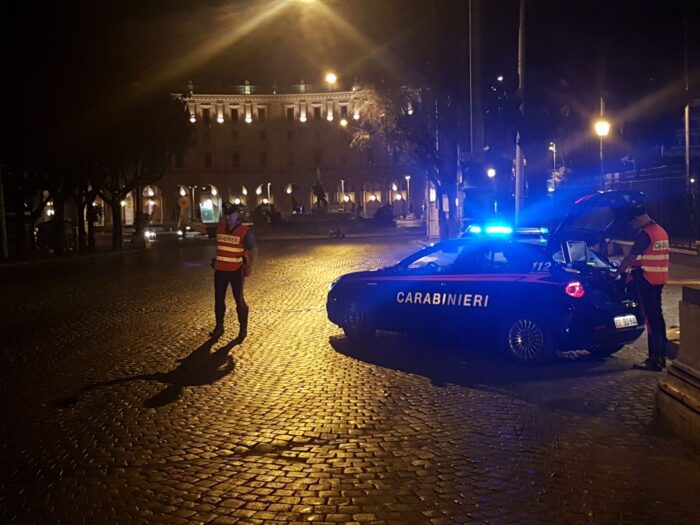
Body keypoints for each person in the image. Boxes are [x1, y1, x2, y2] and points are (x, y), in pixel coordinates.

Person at [617, 205, 669, 371]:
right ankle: (661, 357)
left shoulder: (645, 234)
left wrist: (617, 272)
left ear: (637, 219)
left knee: (651, 321)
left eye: (633, 223)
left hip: (647, 280)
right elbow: (651, 256)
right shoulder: (660, 231)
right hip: (659, 279)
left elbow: (631, 258)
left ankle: (654, 360)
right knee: (658, 319)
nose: (634, 226)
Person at [195, 202, 256, 340]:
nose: (228, 218)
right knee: (219, 300)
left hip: (236, 272)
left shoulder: (244, 232)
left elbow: (253, 249)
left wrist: (250, 267)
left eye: (231, 215)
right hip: (220, 271)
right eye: (226, 215)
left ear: (236, 215)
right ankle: (219, 327)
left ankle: (243, 329)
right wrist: (186, 222)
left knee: (239, 300)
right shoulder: (219, 228)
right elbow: (205, 230)